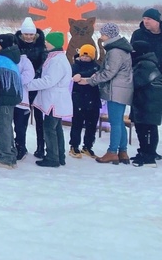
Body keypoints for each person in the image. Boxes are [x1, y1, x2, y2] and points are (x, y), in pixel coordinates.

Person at [75, 23, 133, 165]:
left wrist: (90, 80)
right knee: (118, 121)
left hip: (116, 90)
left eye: (103, 34)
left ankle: (112, 152)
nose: (101, 37)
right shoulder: (120, 49)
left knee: (115, 122)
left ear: (109, 35)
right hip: (121, 89)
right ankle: (123, 151)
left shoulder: (115, 51)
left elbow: (109, 73)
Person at [29, 31, 73, 168]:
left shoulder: (57, 61)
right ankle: (60, 155)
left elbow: (49, 81)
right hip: (55, 99)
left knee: (49, 128)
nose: (45, 43)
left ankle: (52, 157)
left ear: (53, 43)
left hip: (55, 100)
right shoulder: (56, 58)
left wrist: (29, 84)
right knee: (56, 127)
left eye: (47, 41)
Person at [0, 34, 23, 170]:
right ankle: (8, 152)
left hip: (6, 96)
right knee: (5, 125)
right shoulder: (9, 56)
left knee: (4, 126)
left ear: (3, 43)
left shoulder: (2, 59)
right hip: (10, 95)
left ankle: (6, 157)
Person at [15, 17, 48, 158]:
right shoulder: (16, 45)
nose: (28, 37)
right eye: (26, 34)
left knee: (39, 118)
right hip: (22, 85)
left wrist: (35, 76)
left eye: (31, 34)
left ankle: (41, 146)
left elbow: (44, 63)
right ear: (22, 34)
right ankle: (20, 146)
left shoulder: (41, 45)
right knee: (20, 117)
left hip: (36, 85)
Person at [128, 41, 162, 167]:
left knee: (146, 129)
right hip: (148, 102)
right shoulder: (146, 62)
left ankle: (148, 157)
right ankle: (144, 152)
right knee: (146, 129)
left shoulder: (145, 64)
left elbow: (135, 82)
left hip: (148, 103)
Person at [68, 44, 100, 159]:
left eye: (87, 56)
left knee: (91, 125)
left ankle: (88, 146)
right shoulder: (75, 66)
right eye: (83, 56)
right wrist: (86, 77)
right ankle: (74, 145)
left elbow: (97, 77)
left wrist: (84, 77)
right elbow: (74, 77)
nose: (84, 58)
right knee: (77, 124)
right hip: (79, 99)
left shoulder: (96, 67)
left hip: (93, 99)